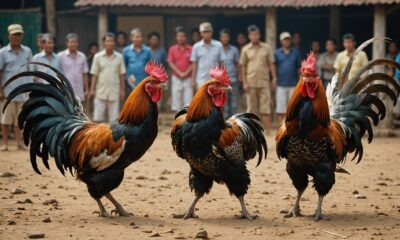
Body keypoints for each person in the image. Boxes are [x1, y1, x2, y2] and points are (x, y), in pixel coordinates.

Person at [0, 24, 33, 151]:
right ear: (9, 36)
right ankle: (5, 144)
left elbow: (30, 70)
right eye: (14, 34)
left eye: (19, 34)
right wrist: (0, 90)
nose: (16, 37)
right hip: (8, 91)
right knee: (6, 119)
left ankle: (20, 143)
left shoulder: (28, 51)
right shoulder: (2, 52)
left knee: (21, 120)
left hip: (24, 91)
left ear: (22, 36)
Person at [240, 25, 277, 134]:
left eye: (256, 34)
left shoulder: (266, 48)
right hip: (250, 83)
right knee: (251, 109)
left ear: (259, 35)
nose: (255, 37)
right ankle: (251, 132)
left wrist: (274, 78)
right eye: (253, 35)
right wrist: (244, 82)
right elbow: (243, 66)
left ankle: (268, 132)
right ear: (249, 36)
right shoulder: (245, 49)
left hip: (264, 82)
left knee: (265, 108)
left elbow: (271, 64)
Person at [90, 32, 126, 123]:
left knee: (113, 120)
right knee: (97, 119)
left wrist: (122, 90)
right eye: (108, 41)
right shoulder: (97, 57)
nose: (110, 43)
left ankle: (111, 137)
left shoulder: (119, 57)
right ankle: (98, 137)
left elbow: (122, 75)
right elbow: (94, 74)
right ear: (104, 43)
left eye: (112, 41)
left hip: (114, 91)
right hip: (100, 91)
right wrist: (92, 89)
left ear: (114, 43)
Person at [274, 32, 301, 122]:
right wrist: (274, 78)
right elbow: (273, 66)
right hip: (281, 84)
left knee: (293, 108)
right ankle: (281, 129)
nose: (287, 41)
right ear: (281, 41)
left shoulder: (296, 53)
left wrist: (300, 81)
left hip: (293, 84)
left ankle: (292, 129)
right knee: (281, 109)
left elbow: (299, 68)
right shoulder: (277, 53)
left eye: (288, 39)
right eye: (285, 39)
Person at [190, 22, 225, 90]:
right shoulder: (196, 46)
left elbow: (222, 64)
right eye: (204, 32)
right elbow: (194, 64)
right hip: (200, 80)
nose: (206, 34)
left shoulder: (218, 45)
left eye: (208, 31)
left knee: (214, 100)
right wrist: (193, 80)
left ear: (212, 32)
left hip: (215, 80)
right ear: (201, 33)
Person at [58, 33, 89, 103]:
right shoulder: (60, 56)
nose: (73, 44)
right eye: (71, 42)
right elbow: (57, 74)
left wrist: (87, 89)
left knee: (79, 111)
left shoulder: (82, 56)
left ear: (77, 43)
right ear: (67, 43)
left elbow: (85, 74)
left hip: (79, 90)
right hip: (66, 90)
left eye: (75, 42)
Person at [168, 26, 193, 113]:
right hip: (176, 78)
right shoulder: (172, 49)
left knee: (188, 100)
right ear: (176, 37)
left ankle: (186, 121)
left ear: (185, 37)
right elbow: (170, 62)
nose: (181, 38)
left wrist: (185, 73)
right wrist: (180, 73)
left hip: (188, 77)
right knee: (176, 99)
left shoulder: (191, 48)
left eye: (183, 36)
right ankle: (177, 120)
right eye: (179, 36)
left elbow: (193, 63)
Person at [123, 28, 152, 94]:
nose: (137, 39)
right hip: (130, 82)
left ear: (142, 38)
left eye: (139, 37)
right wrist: (128, 77)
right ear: (131, 38)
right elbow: (124, 66)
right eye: (135, 37)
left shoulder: (148, 50)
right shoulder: (126, 50)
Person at [219, 28, 240, 118]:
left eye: (226, 37)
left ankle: (234, 122)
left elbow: (238, 64)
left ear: (229, 38)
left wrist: (240, 76)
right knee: (224, 104)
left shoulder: (234, 49)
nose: (225, 39)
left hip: (233, 80)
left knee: (234, 103)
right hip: (222, 81)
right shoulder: (217, 49)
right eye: (223, 37)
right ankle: (225, 123)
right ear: (220, 38)